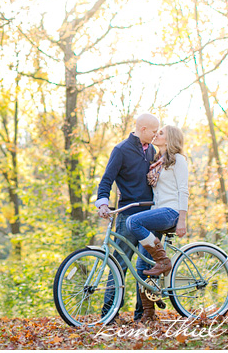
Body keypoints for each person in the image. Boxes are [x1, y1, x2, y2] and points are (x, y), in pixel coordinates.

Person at [95, 113, 159, 323]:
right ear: (143, 130)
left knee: (146, 266)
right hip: (127, 216)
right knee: (119, 265)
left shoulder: (152, 150)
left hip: (149, 216)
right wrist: (103, 202)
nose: (157, 134)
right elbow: (106, 181)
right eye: (154, 131)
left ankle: (143, 316)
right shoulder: (121, 150)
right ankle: (109, 314)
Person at [126, 125, 189, 322]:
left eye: (160, 132)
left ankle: (163, 261)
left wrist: (182, 220)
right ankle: (146, 315)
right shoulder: (157, 162)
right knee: (141, 265)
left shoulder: (179, 160)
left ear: (170, 139)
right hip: (157, 213)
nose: (156, 134)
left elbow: (183, 191)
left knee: (132, 222)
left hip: (170, 212)